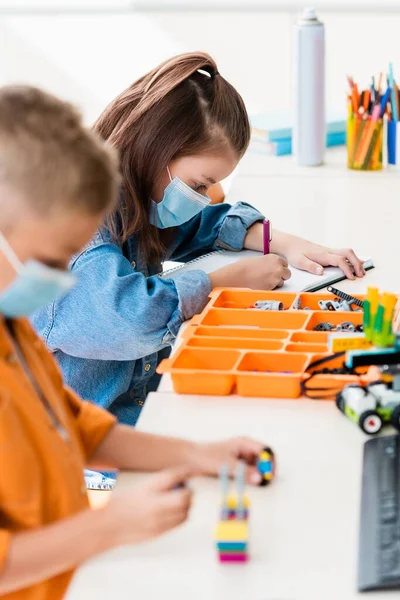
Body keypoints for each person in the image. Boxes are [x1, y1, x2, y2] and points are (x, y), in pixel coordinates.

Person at [0, 85, 268, 600]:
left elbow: (78, 427)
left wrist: (195, 454)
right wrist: (109, 528)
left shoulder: (12, 329)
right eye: (54, 261)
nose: (63, 283)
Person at [32, 52, 365, 426]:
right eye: (199, 185)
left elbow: (190, 226)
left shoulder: (134, 195)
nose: (206, 196)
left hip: (137, 409)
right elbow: (129, 319)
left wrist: (281, 241)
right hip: (84, 441)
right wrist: (222, 282)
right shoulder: (77, 224)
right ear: (156, 147)